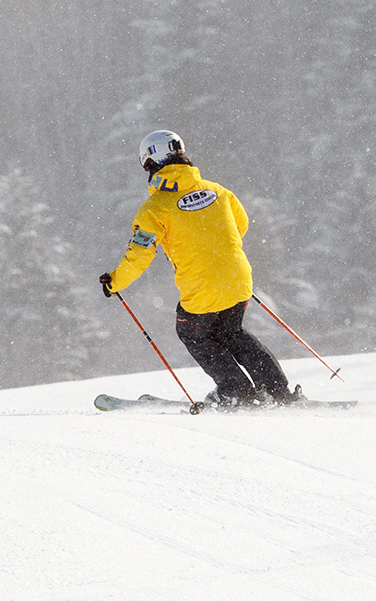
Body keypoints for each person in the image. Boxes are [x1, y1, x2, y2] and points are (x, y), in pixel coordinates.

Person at [99, 130, 298, 408]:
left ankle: (235, 390)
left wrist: (115, 282)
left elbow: (140, 255)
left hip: (202, 289)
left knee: (193, 334)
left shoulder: (155, 207)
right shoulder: (218, 190)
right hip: (238, 280)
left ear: (150, 164)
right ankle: (277, 390)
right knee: (233, 333)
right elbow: (241, 225)